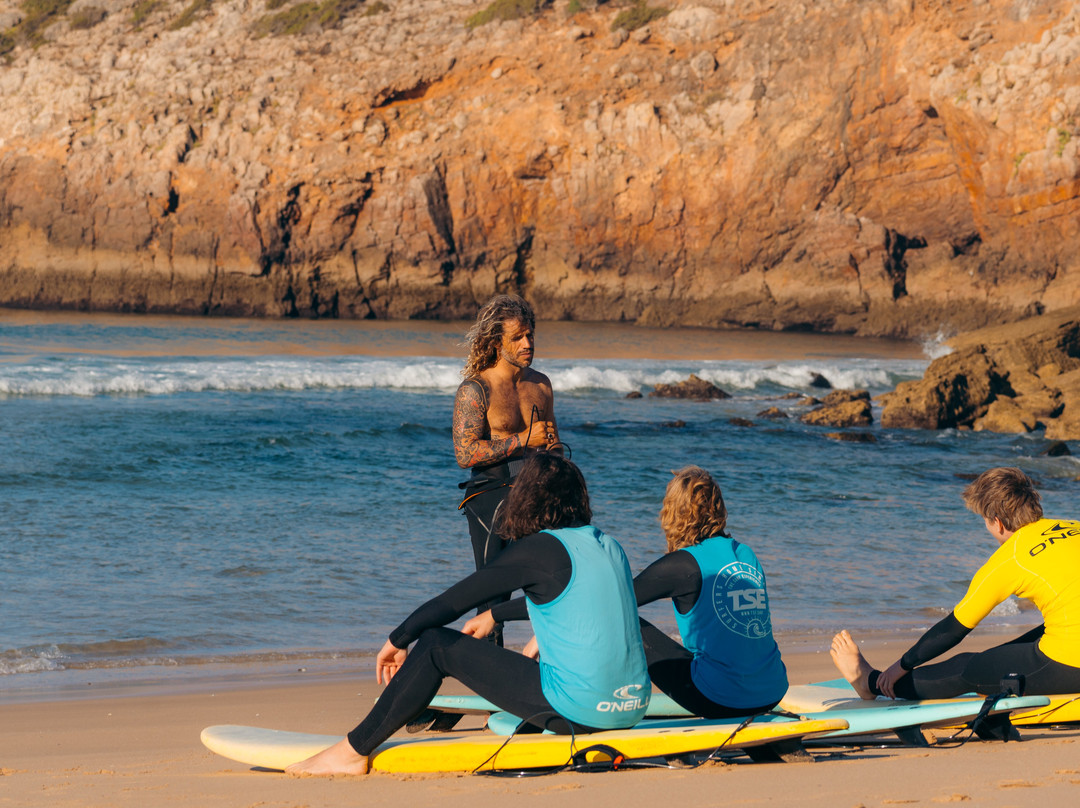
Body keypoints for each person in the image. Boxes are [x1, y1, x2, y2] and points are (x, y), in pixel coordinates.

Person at [287, 454, 649, 776]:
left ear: (526, 499)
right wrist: (496, 615)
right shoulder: (608, 544)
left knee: (434, 644)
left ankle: (352, 751)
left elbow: (452, 602)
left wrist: (398, 639)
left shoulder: (538, 549)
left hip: (583, 712)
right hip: (632, 706)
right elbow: (580, 601)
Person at [831, 466, 1080, 701]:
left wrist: (902, 665)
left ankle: (871, 683)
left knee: (967, 667)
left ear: (998, 522)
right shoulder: (1074, 527)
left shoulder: (1010, 558)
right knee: (1030, 640)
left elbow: (953, 629)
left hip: (1072, 663)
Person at [631, 466, 788, 718]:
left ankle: (605, 698)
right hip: (772, 691)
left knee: (624, 620)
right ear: (719, 508)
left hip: (719, 699)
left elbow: (615, 601)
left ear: (673, 512)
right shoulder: (746, 553)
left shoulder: (683, 565)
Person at [453, 294, 559, 642]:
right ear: (497, 342)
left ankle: (554, 656)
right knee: (493, 595)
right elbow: (465, 453)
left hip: (535, 494)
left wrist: (554, 451)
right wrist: (524, 440)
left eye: (530, 334)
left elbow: (552, 446)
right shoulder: (476, 389)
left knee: (555, 578)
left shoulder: (541, 384)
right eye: (517, 337)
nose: (527, 343)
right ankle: (487, 665)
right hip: (489, 496)